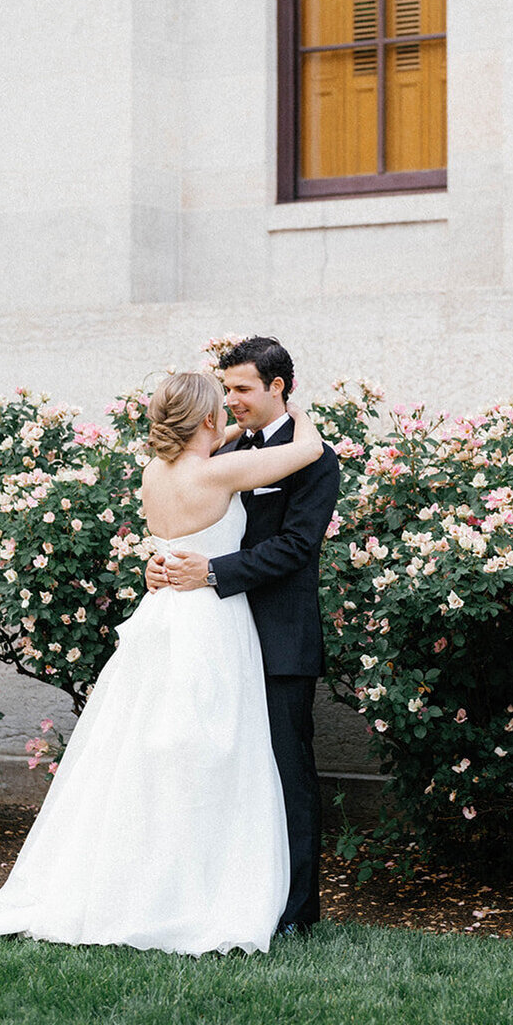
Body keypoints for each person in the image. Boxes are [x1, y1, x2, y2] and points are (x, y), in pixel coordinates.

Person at [0, 369, 325, 955]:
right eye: (222, 405)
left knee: (142, 751)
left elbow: (173, 535)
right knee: (209, 751)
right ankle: (195, 892)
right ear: (208, 419)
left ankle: (137, 884)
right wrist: (295, 408)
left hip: (160, 619)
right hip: (208, 622)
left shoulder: (155, 472)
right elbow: (307, 448)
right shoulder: (218, 470)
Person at [148, 336, 341, 936]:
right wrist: (162, 564)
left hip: (278, 638)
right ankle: (229, 893)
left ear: (277, 387)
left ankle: (296, 912)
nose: (230, 400)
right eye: (224, 388)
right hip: (214, 639)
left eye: (242, 389)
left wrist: (209, 573)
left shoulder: (313, 459)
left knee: (287, 773)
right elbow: (191, 523)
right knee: (223, 770)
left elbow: (296, 546)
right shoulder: (221, 452)